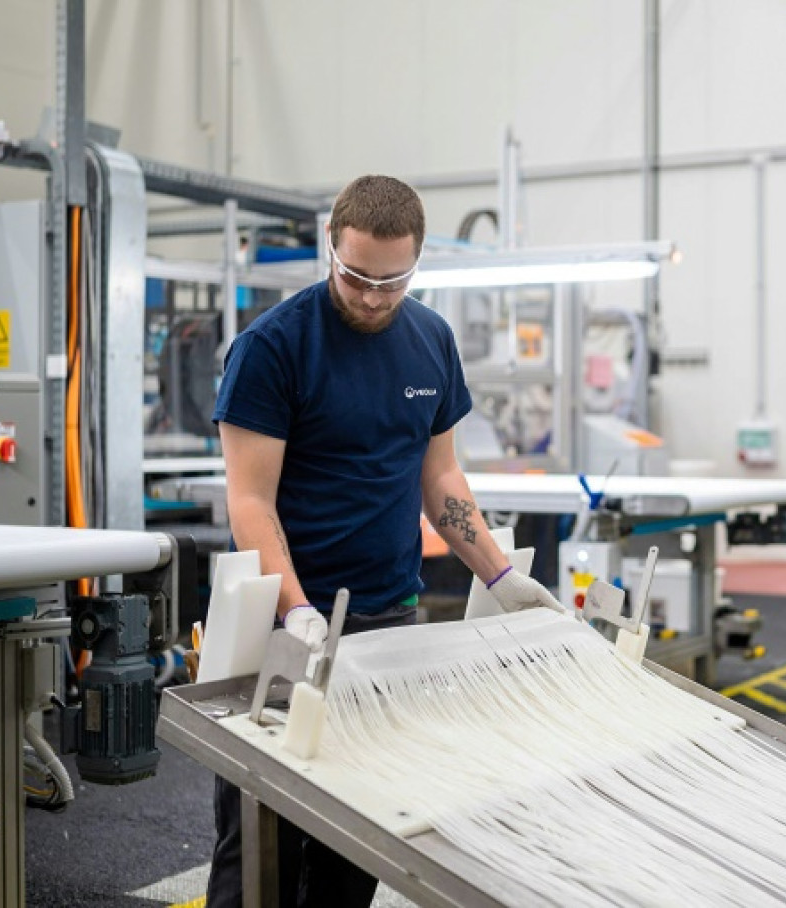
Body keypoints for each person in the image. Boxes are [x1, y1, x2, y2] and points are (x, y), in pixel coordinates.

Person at [206, 174, 561, 908]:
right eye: (356, 276)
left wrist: (499, 576)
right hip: (282, 623)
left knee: (359, 834)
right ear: (329, 245)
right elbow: (249, 497)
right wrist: (296, 613)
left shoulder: (431, 341)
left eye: (391, 282)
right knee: (263, 837)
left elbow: (441, 478)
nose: (371, 296)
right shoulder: (273, 347)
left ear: (417, 264)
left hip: (387, 618)